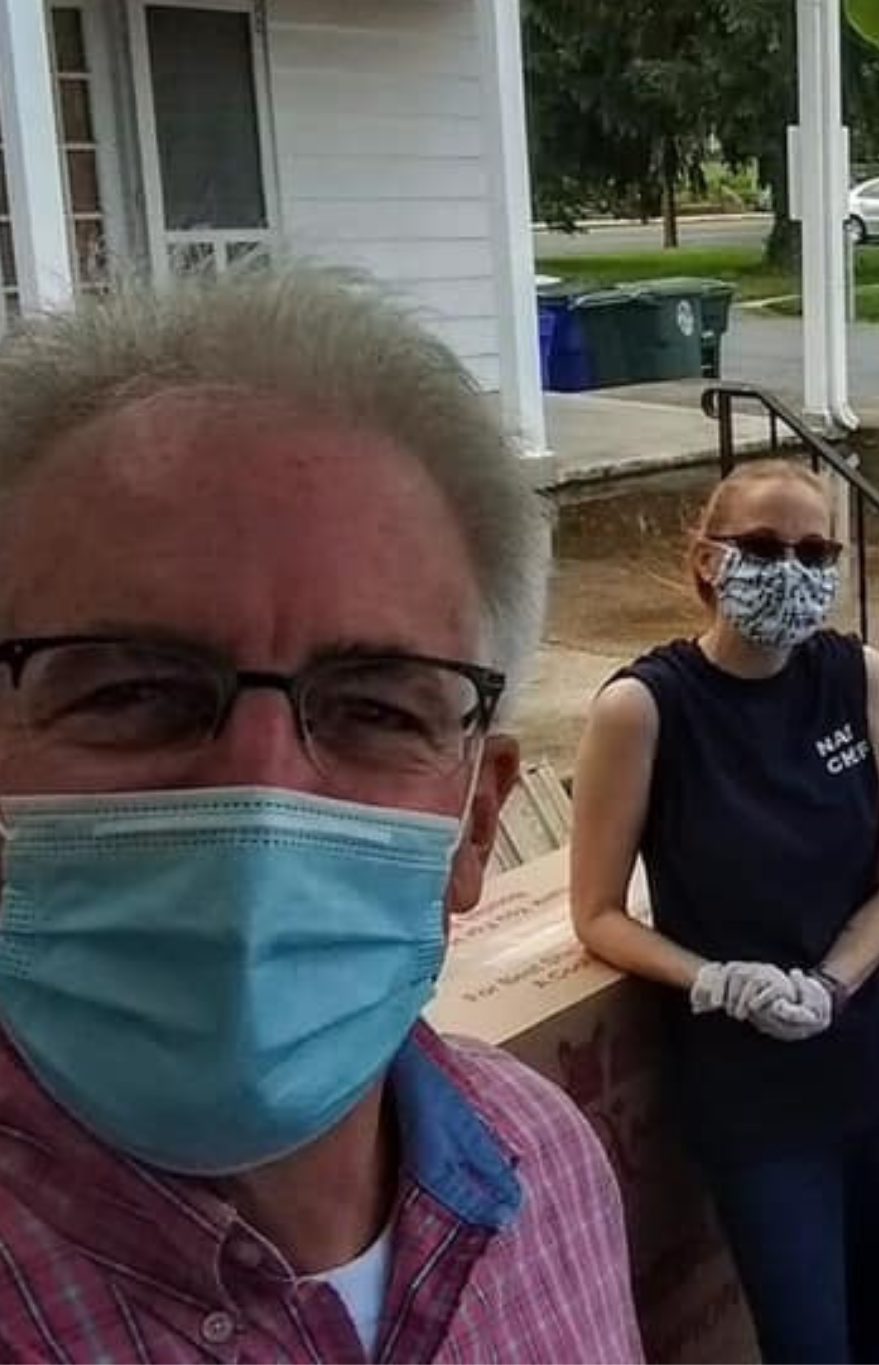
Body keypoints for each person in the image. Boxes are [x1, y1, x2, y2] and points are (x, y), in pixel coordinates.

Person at [0, 268, 642, 1360]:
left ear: (477, 826)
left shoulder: (551, 1169)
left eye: (374, 708)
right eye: (131, 692)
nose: (261, 792)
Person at [570, 460, 879, 1365]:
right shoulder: (646, 708)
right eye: (761, 546)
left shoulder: (856, 675)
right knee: (807, 1345)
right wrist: (712, 979)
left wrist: (832, 984)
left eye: (813, 549)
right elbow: (596, 912)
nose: (789, 568)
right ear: (709, 561)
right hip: (755, 1084)